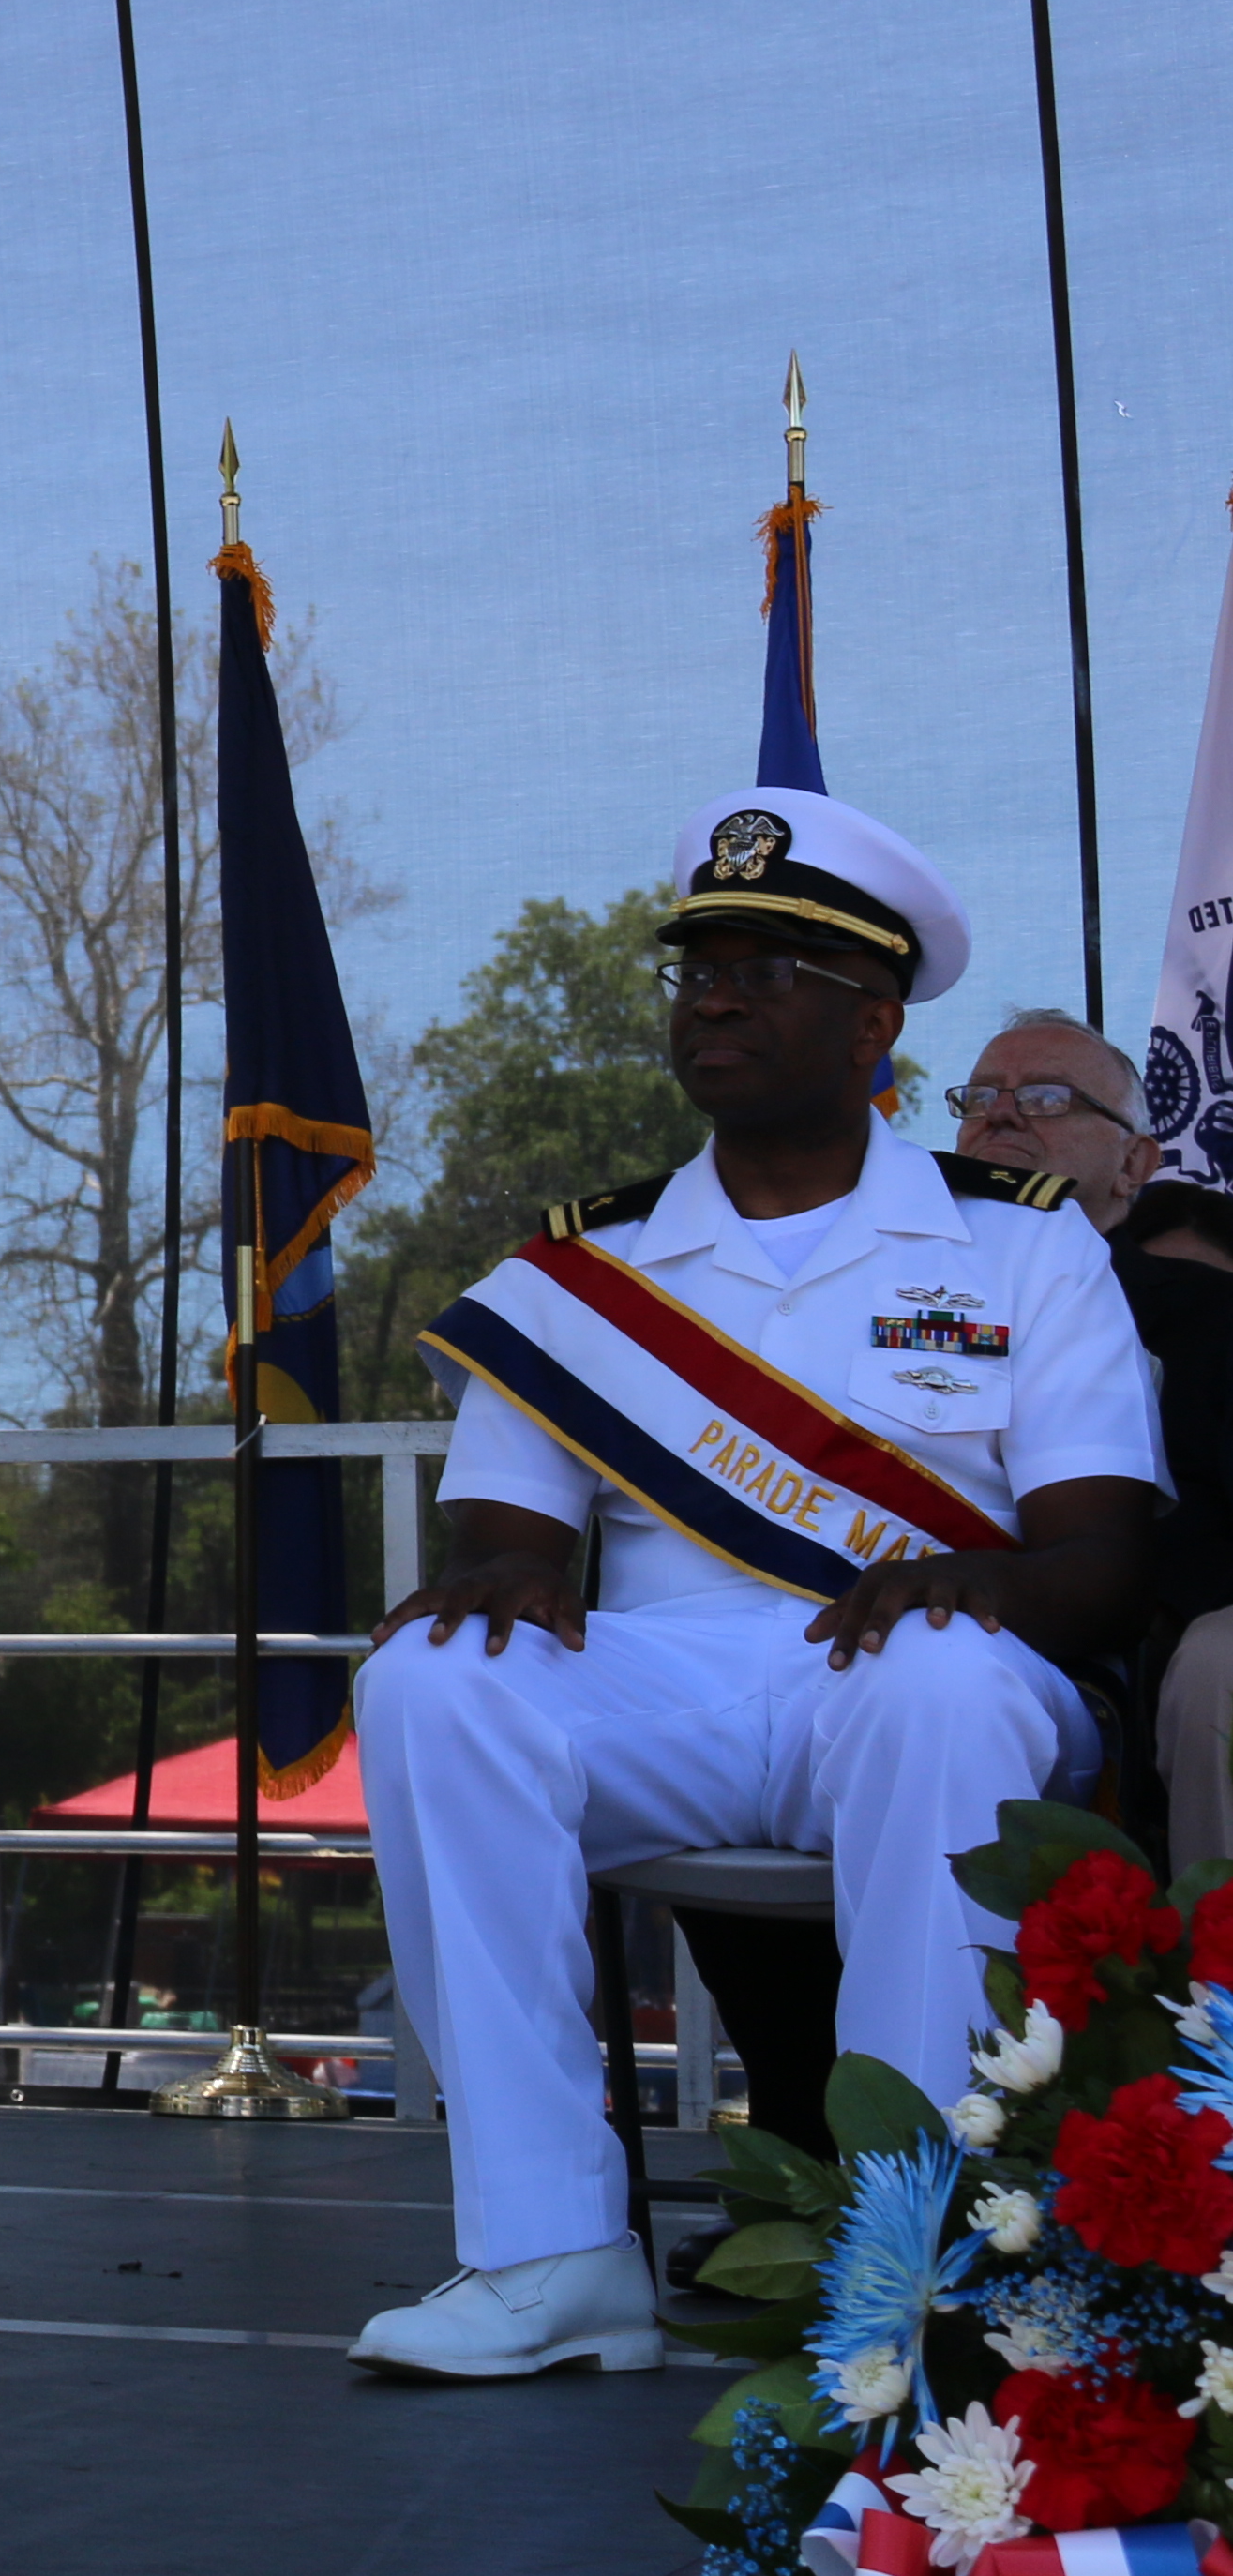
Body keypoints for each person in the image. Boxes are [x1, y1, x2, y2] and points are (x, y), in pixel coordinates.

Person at [346, 791, 1162, 2378]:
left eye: (767, 965)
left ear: (874, 1023)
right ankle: (548, 2253)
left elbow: (1103, 1561)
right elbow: (506, 1546)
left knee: (932, 1671)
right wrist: (489, 1588)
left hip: (940, 1683)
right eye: (700, 963)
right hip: (676, 1682)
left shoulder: (1019, 1246)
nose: (714, 993)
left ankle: (904, 2249)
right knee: (429, 1680)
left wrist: (967, 1582)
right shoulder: (585, 1273)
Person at [955, 1016, 1233, 1863]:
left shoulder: (1214, 1319)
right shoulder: (874, 1299)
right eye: (980, 1099)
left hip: (1121, 1651)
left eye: (1046, 1098)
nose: (1001, 1116)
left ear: (1136, 1164)